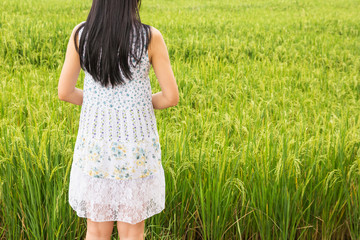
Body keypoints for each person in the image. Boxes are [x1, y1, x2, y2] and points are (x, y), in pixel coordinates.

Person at [57, 0, 179, 239]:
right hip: (135, 149)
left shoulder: (81, 34)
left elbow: (65, 92)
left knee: (96, 231)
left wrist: (101, 104)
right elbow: (170, 97)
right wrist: (135, 106)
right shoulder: (150, 37)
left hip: (95, 148)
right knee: (133, 232)